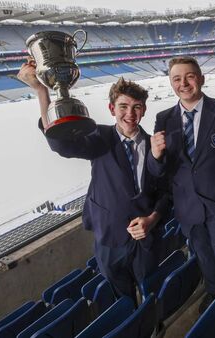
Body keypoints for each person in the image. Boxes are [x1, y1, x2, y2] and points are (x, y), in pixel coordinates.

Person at [17, 62, 171, 300]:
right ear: (111, 109)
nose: (130, 114)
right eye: (123, 106)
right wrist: (41, 92)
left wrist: (153, 218)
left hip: (147, 238)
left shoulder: (155, 145)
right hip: (110, 238)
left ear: (144, 110)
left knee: (153, 293)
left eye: (136, 107)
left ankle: (155, 325)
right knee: (122, 299)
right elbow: (61, 144)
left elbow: (165, 192)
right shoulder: (100, 136)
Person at [147, 56, 215, 312]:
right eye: (177, 78)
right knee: (205, 259)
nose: (184, 83)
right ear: (171, 83)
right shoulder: (163, 119)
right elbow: (159, 171)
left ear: (201, 79)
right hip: (188, 208)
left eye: (190, 76)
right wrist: (155, 156)